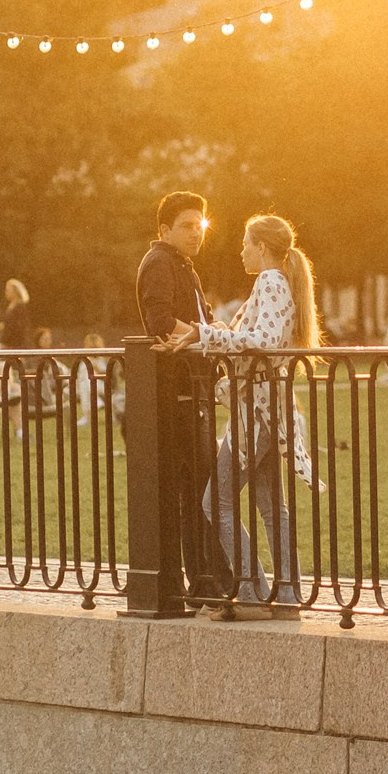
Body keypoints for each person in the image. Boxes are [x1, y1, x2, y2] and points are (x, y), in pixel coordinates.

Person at [189, 214, 317, 620]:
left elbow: (261, 342)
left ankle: (250, 590)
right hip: (268, 409)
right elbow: (263, 337)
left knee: (216, 501)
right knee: (268, 504)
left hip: (258, 413)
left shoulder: (271, 281)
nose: (241, 250)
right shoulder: (279, 283)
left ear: (262, 247)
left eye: (246, 243)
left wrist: (204, 335)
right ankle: (286, 596)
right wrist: (219, 331)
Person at [136, 190, 230, 606]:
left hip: (192, 391)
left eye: (201, 225)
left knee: (201, 487)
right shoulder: (159, 264)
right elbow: (159, 324)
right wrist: (206, 337)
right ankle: (203, 579)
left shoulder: (181, 266)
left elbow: (196, 323)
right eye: (188, 226)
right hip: (176, 395)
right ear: (164, 230)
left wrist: (213, 331)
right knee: (195, 488)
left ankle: (206, 577)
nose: (197, 233)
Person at [0, 279, 37, 351]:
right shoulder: (10, 306)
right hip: (8, 343)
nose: (6, 292)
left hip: (16, 344)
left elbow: (21, 327)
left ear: (15, 292)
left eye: (8, 290)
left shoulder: (20, 307)